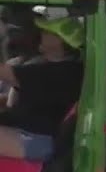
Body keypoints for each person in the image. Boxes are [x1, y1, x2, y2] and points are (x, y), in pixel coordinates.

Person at [0, 17, 85, 160]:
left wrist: (2, 37)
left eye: (47, 32)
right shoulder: (53, 65)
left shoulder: (63, 72)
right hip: (27, 131)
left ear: (59, 40)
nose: (41, 33)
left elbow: (6, 73)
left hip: (37, 139)